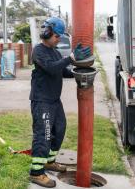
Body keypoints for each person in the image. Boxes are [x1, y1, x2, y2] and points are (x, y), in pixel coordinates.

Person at [29, 17, 91, 188]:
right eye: (57, 36)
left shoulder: (55, 51)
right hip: (42, 101)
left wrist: (81, 71)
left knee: (60, 129)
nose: (58, 39)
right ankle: (36, 173)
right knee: (44, 135)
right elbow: (51, 68)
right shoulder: (38, 51)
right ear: (47, 33)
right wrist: (70, 58)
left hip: (54, 100)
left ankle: (49, 161)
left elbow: (62, 71)